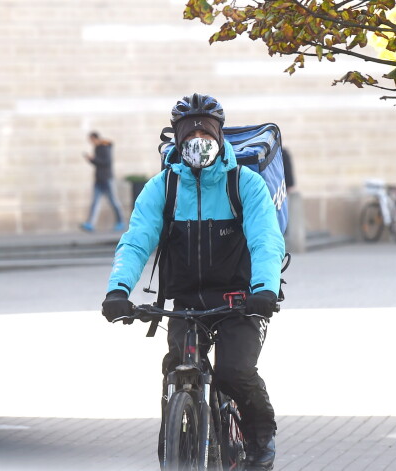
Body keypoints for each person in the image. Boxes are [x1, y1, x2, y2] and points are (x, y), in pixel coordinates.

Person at [100, 93, 284, 470]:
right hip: (185, 301)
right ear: (177, 137)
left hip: (240, 299)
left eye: (206, 129)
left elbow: (266, 239)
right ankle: (177, 442)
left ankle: (260, 438)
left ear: (219, 135)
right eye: (189, 130)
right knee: (176, 370)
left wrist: (264, 289)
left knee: (235, 372)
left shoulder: (243, 184)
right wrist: (118, 289)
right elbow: (137, 240)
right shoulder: (163, 187)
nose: (198, 137)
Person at [81, 131, 125, 232]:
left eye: (91, 140)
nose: (91, 142)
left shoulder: (105, 147)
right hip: (99, 179)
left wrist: (93, 159)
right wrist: (91, 160)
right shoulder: (97, 147)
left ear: (95, 138)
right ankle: (90, 223)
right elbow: (98, 163)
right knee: (95, 202)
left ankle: (121, 222)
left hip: (107, 179)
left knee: (114, 201)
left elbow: (106, 162)